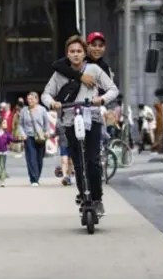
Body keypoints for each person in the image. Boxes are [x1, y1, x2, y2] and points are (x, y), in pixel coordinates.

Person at [41, 35, 119, 215]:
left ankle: (97, 198)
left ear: (85, 54)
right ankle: (83, 195)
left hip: (92, 119)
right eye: (72, 52)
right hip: (70, 120)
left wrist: (100, 99)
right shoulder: (59, 74)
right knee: (77, 163)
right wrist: (53, 103)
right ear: (67, 54)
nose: (75, 55)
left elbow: (113, 90)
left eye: (79, 51)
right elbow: (46, 94)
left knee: (92, 160)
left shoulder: (95, 69)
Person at [19, 92, 50, 186]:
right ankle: (34, 179)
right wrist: (23, 134)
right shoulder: (24, 110)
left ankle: (37, 176)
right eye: (28, 99)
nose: (30, 101)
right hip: (29, 137)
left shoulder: (42, 110)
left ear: (37, 99)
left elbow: (46, 123)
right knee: (31, 158)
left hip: (40, 136)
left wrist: (47, 132)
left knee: (39, 158)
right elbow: (20, 124)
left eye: (32, 99)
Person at [0, 117, 23, 187]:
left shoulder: (7, 134)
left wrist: (21, 139)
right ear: (0, 124)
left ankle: (2, 180)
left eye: (6, 123)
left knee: (2, 167)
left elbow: (13, 139)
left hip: (4, 153)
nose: (6, 124)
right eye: (4, 123)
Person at [53, 114, 73, 186]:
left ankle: (69, 177)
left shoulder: (72, 119)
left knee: (70, 161)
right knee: (64, 160)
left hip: (72, 142)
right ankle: (65, 177)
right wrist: (51, 135)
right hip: (63, 142)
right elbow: (56, 132)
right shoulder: (58, 121)